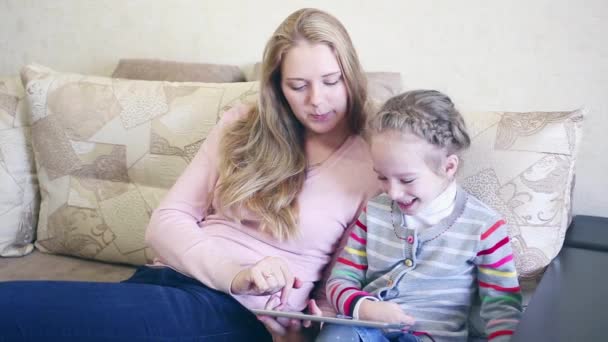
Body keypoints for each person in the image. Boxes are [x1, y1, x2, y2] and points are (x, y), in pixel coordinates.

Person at [0, 8, 379, 342]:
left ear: (351, 73)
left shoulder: (374, 165)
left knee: (13, 312)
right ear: (278, 88)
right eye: (298, 86)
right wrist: (234, 273)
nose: (316, 100)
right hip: (167, 282)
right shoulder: (245, 124)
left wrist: (306, 328)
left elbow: (341, 284)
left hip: (240, 313)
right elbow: (165, 222)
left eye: (332, 81)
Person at [316, 90, 523, 342]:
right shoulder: (374, 214)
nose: (392, 192)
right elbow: (340, 281)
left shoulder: (484, 227)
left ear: (448, 167)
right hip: (363, 331)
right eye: (382, 177)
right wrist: (365, 308)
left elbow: (502, 307)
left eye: (407, 180)